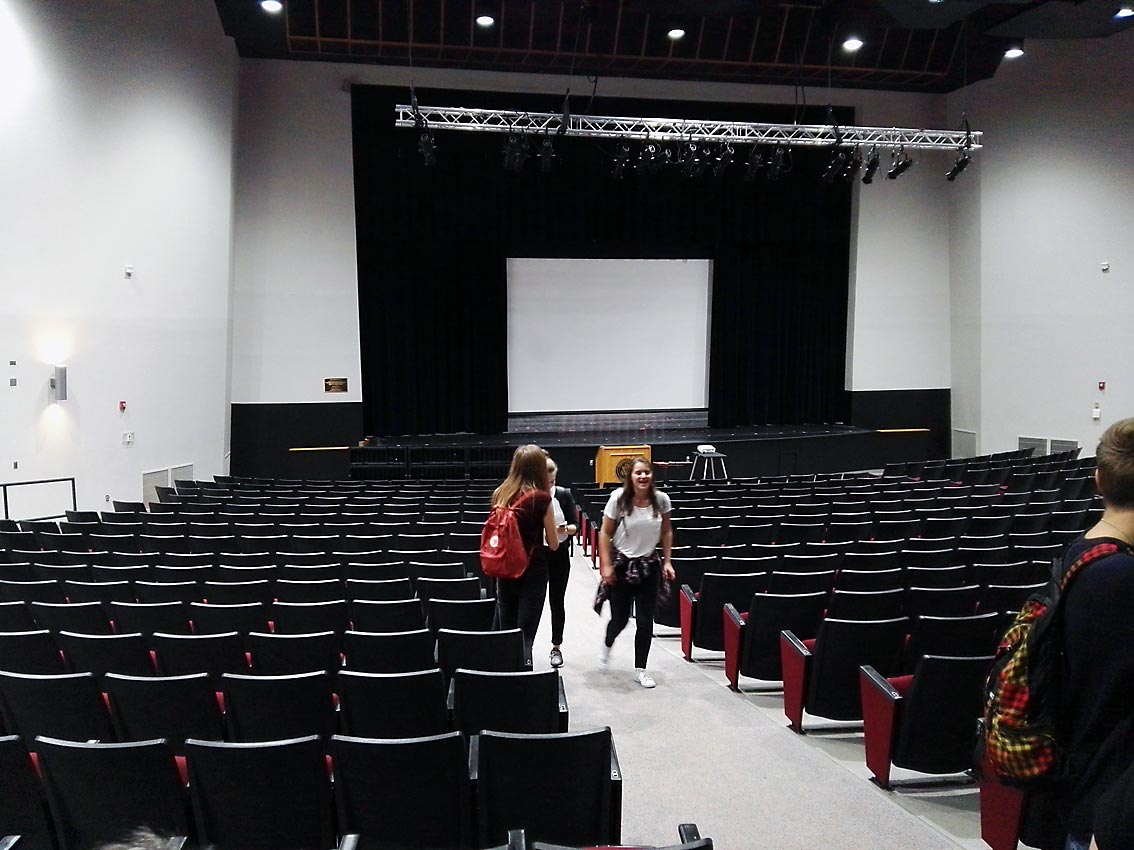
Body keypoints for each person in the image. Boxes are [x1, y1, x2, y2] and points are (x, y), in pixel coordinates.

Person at [1033, 418, 1134, 850]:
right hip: (1111, 804)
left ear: (1097, 481)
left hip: (1087, 786)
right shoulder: (1120, 578)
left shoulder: (1079, 556)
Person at [597, 456, 675, 688]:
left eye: (647, 473)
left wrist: (668, 561)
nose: (643, 476)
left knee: (645, 621)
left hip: (649, 567)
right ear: (630, 476)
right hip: (622, 567)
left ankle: (640, 668)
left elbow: (667, 531)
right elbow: (604, 533)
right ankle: (607, 645)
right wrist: (606, 565)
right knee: (619, 620)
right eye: (638, 473)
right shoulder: (618, 499)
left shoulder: (661, 500)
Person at [491, 444, 560, 666]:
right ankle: (522, 686)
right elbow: (553, 544)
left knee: (506, 634)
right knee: (525, 638)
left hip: (505, 570)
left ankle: (504, 682)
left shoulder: (501, 494)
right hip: (533, 572)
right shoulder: (542, 499)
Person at [545, 457, 578, 669]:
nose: (550, 484)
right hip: (537, 555)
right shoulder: (530, 496)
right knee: (532, 603)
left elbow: (576, 526)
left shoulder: (564, 495)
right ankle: (523, 646)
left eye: (552, 480)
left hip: (559, 556)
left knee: (557, 602)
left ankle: (556, 647)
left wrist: (564, 530)